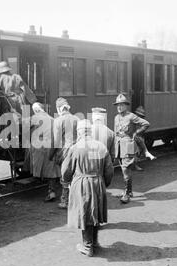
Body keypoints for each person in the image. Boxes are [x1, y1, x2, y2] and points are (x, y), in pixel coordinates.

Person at [62, 119, 114, 257]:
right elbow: (109, 170)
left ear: (79, 132)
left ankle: (87, 246)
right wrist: (104, 183)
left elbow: (66, 171)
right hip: (98, 182)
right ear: (90, 131)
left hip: (82, 183)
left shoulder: (75, 148)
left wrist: (67, 181)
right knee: (95, 212)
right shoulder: (101, 146)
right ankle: (95, 242)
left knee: (84, 214)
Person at [114, 94, 150, 204]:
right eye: (118, 105)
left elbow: (146, 124)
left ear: (126, 105)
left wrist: (136, 133)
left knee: (126, 170)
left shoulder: (131, 116)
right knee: (123, 169)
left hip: (128, 146)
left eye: (122, 105)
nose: (119, 107)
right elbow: (116, 132)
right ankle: (128, 191)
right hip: (119, 147)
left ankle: (127, 193)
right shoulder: (116, 117)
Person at [50, 97, 79, 209]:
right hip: (77, 150)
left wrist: (51, 155)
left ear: (59, 109)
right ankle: (76, 199)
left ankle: (65, 201)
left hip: (65, 151)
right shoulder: (77, 118)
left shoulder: (58, 120)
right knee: (75, 175)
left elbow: (56, 142)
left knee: (65, 176)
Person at [30, 102, 61, 201]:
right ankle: (51, 191)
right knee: (51, 171)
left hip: (40, 149)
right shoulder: (52, 119)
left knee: (39, 167)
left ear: (36, 110)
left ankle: (37, 185)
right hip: (51, 148)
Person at [133, 106, 156, 171]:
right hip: (132, 138)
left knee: (140, 143)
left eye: (141, 116)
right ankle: (146, 153)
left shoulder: (139, 121)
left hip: (136, 138)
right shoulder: (133, 120)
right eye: (139, 115)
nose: (140, 117)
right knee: (138, 147)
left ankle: (145, 153)